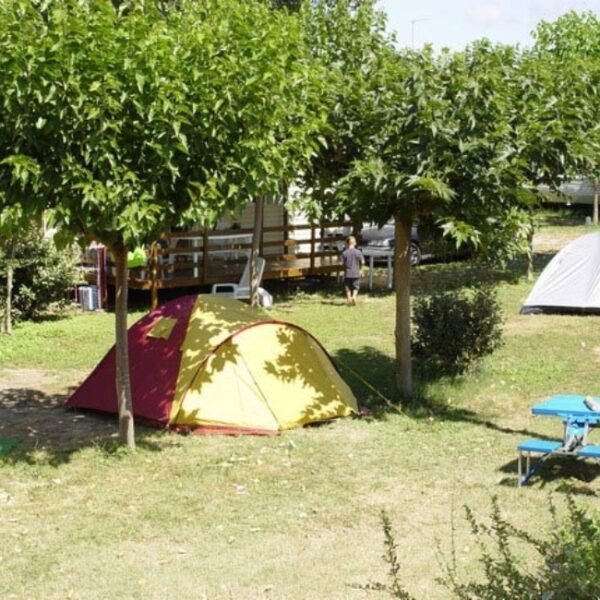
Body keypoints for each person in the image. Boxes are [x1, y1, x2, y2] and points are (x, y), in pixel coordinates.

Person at [340, 235, 365, 305]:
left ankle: (349, 299)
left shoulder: (344, 253)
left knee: (347, 287)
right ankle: (354, 297)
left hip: (347, 273)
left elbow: (341, 263)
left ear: (347, 243)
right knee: (356, 287)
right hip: (356, 272)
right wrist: (361, 270)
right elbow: (363, 262)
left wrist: (344, 267)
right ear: (355, 243)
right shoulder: (358, 252)